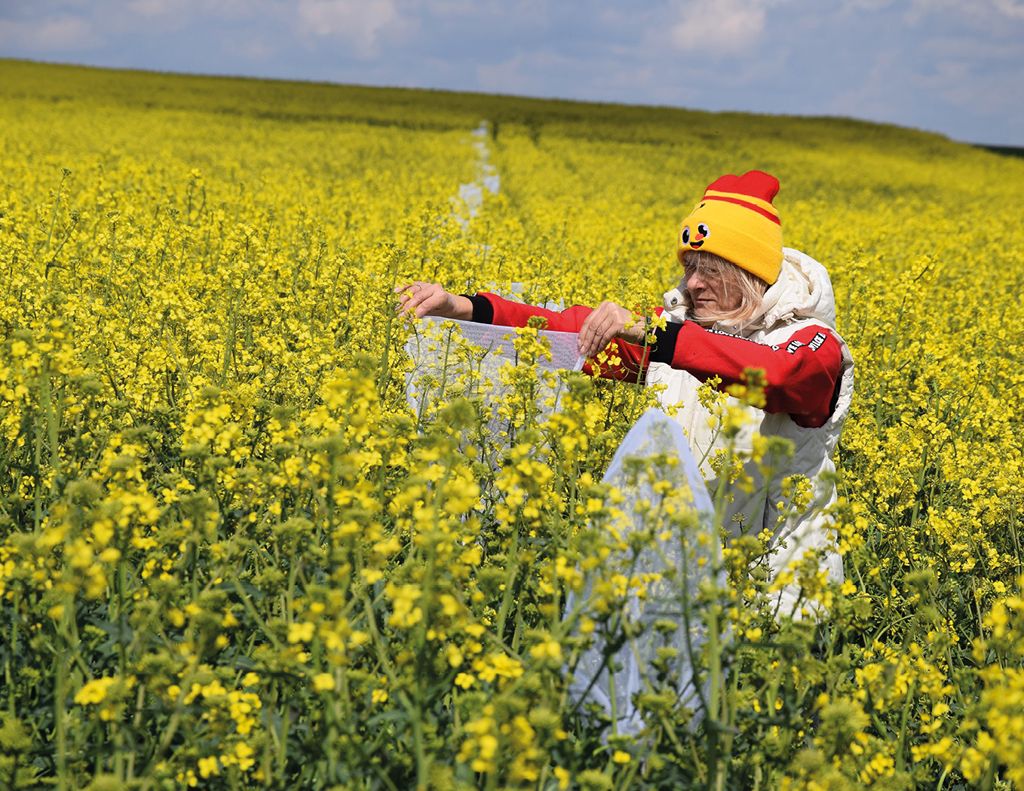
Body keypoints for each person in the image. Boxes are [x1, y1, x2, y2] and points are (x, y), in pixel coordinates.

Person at [397, 171, 854, 615]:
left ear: (748, 272)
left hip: (780, 592)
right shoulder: (677, 334)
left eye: (710, 270)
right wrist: (464, 307)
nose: (693, 283)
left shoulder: (812, 342)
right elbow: (567, 333)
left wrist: (655, 335)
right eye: (690, 267)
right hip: (689, 578)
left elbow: (780, 377)